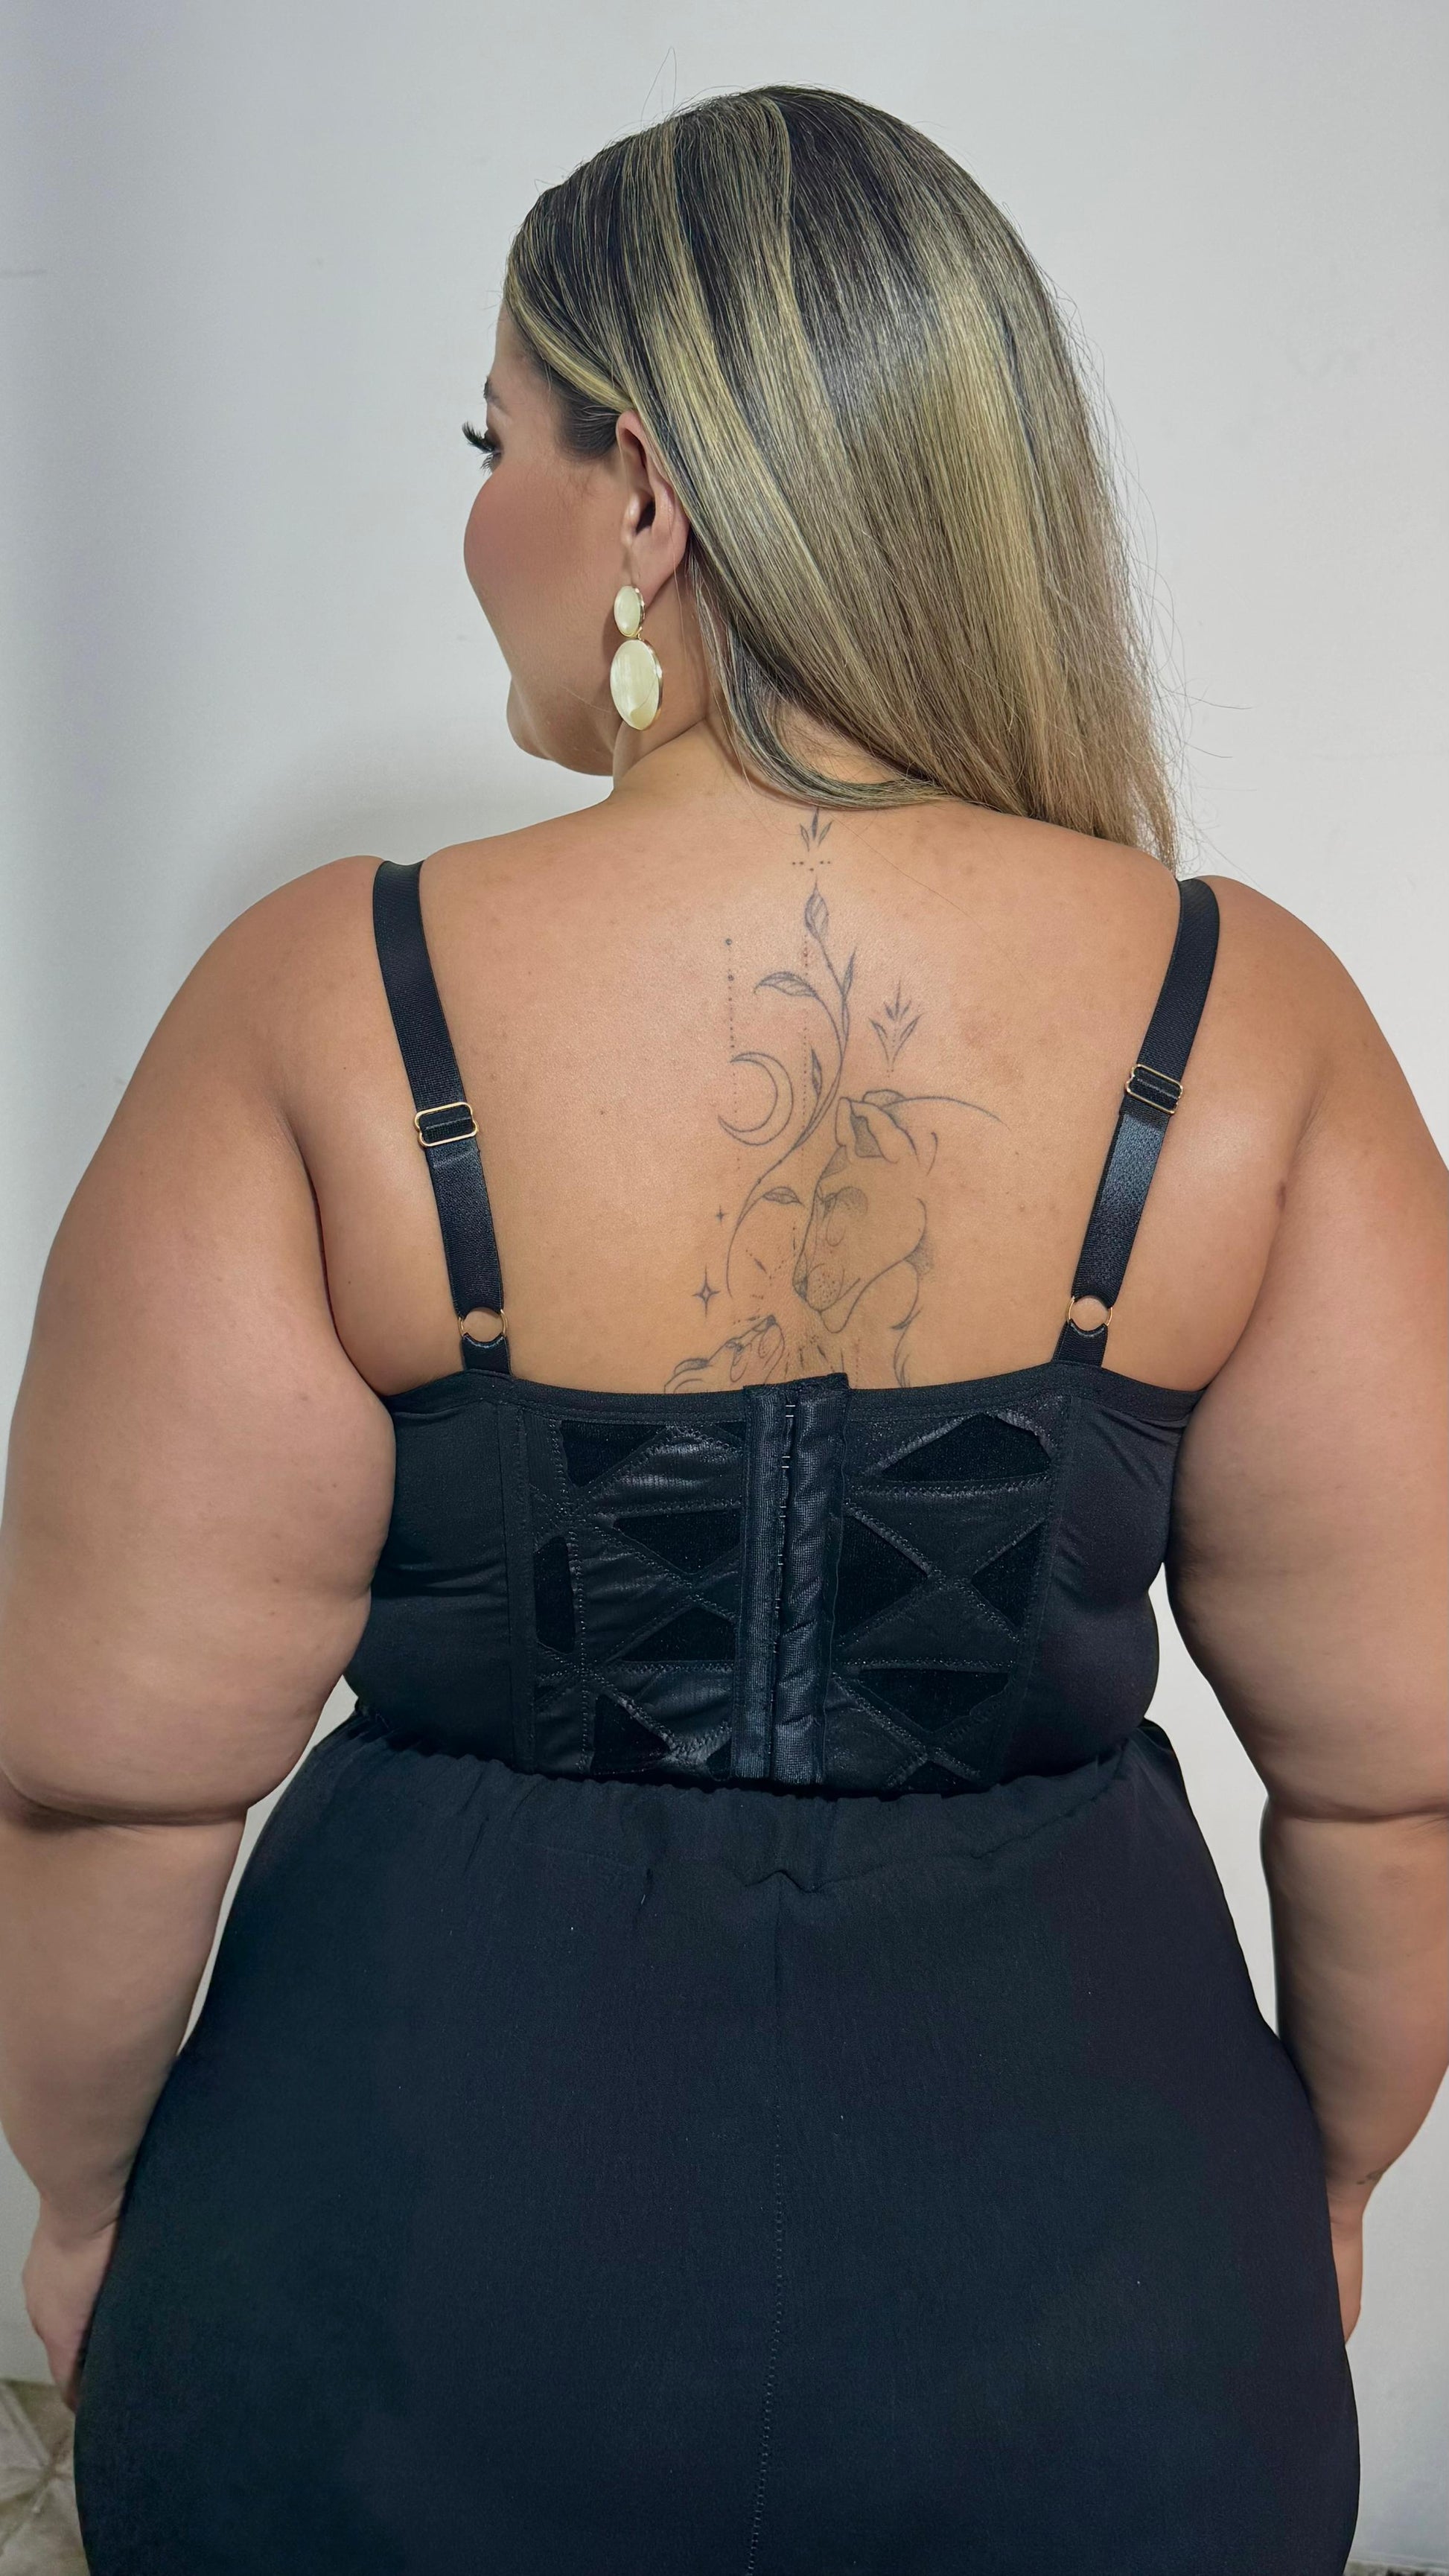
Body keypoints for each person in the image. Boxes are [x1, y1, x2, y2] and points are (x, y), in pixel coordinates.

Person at [0, 82, 1443, 2576]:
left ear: (644, 496)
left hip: (385, 2315)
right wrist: (1298, 2198)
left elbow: (103, 1790)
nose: (479, 518)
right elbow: (1400, 1783)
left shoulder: (324, 1003)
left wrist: (93, 2211)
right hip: (1103, 2329)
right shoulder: (1252, 1019)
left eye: (498, 442)